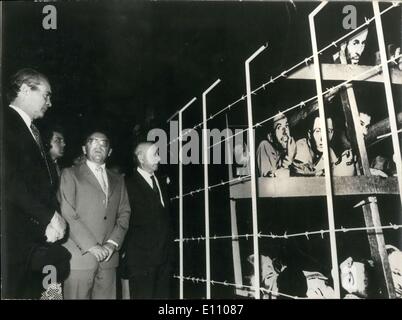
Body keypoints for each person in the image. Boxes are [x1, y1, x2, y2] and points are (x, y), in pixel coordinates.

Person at [3, 68, 69, 299]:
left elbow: (43, 186)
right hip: (14, 239)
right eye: (46, 95)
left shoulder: (35, 131)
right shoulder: (5, 123)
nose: (49, 102)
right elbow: (8, 182)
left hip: (35, 239)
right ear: (24, 89)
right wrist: (49, 217)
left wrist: (51, 222)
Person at [59, 131, 131, 299]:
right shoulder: (70, 174)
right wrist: (92, 245)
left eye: (103, 144)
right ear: (85, 148)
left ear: (110, 151)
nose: (99, 147)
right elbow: (67, 213)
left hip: (108, 260)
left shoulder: (119, 180)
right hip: (79, 258)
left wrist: (112, 244)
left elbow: (124, 213)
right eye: (93, 142)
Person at [122, 142, 174, 299]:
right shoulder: (127, 184)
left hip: (165, 257)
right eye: (154, 154)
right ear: (140, 158)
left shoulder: (161, 181)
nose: (159, 158)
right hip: (142, 259)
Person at [257, 112, 296, 177]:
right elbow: (270, 181)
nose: (285, 131)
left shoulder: (290, 150)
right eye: (279, 127)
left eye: (286, 126)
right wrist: (289, 160)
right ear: (270, 137)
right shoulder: (265, 146)